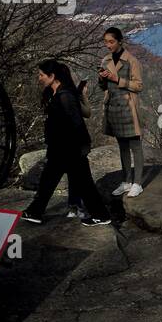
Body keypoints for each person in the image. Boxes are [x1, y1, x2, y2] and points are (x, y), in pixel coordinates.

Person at [22, 60, 111, 226]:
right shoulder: (55, 93)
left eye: (41, 75)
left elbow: (77, 122)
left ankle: (101, 215)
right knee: (49, 181)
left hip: (70, 149)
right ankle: (35, 211)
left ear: (52, 76)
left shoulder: (65, 96)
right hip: (60, 148)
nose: (39, 78)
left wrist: (83, 146)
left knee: (83, 184)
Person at [98, 27, 145, 198]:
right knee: (122, 146)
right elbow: (103, 87)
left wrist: (117, 79)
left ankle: (137, 183)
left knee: (135, 145)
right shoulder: (105, 60)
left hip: (127, 106)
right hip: (113, 108)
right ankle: (126, 181)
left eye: (111, 42)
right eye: (106, 42)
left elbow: (139, 86)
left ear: (120, 41)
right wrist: (102, 78)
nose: (108, 45)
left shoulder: (131, 61)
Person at [65, 75, 92, 219]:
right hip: (76, 140)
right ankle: (78, 206)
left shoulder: (62, 94)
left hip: (67, 140)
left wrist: (82, 95)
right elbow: (87, 113)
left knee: (74, 175)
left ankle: (75, 206)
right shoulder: (70, 96)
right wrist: (83, 96)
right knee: (79, 175)